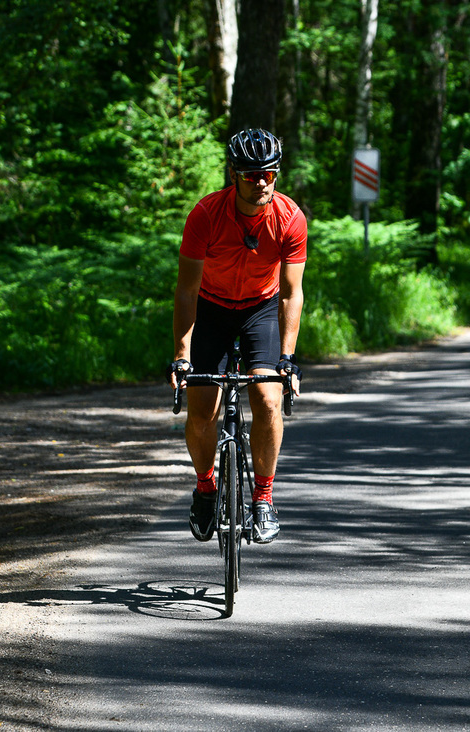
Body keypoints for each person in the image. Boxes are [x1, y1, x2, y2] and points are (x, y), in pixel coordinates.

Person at [170, 128, 307, 544]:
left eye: (268, 173)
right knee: (201, 410)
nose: (261, 181)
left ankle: (263, 498)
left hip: (259, 309)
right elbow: (186, 290)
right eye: (251, 175)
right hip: (211, 307)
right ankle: (206, 487)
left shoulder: (290, 218)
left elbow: (291, 293)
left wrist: (287, 359)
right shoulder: (205, 216)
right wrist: (181, 356)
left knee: (267, 397)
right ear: (234, 174)